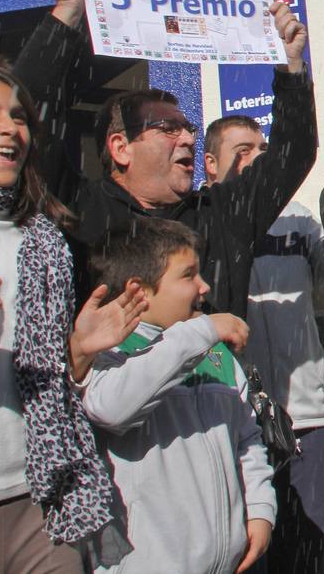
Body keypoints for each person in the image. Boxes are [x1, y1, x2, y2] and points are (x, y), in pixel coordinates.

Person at [0, 54, 146, 573]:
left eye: (19, 116)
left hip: (43, 497)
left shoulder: (44, 240)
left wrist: (79, 354)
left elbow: (41, 382)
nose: (9, 128)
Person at [12, 0, 319, 318]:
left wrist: (291, 68)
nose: (188, 138)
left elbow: (294, 152)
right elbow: (27, 118)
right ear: (121, 148)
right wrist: (66, 15)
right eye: (168, 128)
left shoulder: (221, 215)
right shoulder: (76, 209)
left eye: (187, 128)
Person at [204, 114, 324, 573]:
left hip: (308, 423)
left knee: (311, 560)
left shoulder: (297, 217)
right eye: (242, 152)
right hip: (230, 427)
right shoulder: (197, 221)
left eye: (261, 149)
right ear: (210, 165)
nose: (256, 159)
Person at [79, 216, 276, 574]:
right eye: (188, 275)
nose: (204, 287)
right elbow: (112, 409)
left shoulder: (215, 353)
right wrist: (201, 331)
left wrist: (261, 508)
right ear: (138, 291)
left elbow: (247, 437)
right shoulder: (111, 354)